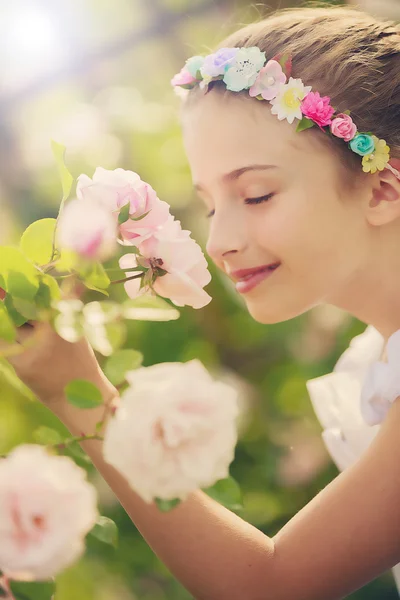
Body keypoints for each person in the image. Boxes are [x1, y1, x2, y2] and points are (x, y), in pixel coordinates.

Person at [3, 4, 400, 599]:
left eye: (257, 195)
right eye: (211, 205)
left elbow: (271, 587)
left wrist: (76, 393)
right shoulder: (376, 359)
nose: (219, 241)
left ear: (381, 187)